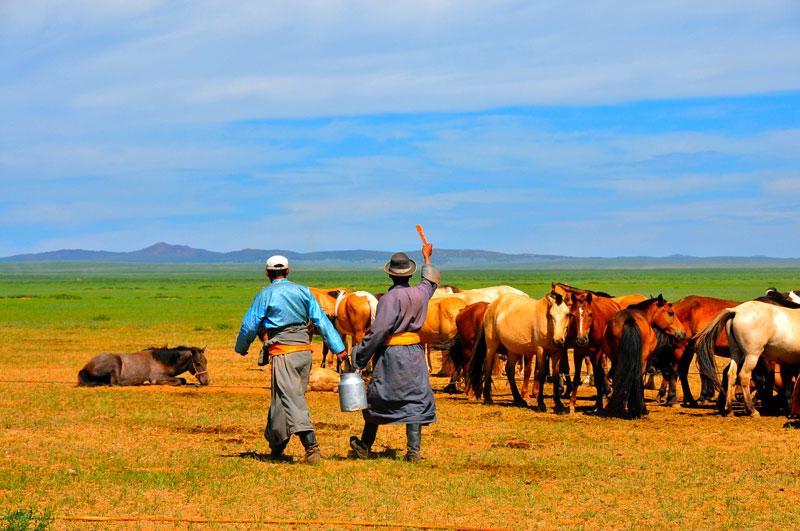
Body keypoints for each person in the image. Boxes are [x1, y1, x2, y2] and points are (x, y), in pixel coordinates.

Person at [235, 255, 345, 464]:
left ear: (267, 273)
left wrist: (242, 347)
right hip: (304, 353)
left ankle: (312, 448)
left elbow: (250, 325)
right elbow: (321, 321)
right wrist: (338, 347)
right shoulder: (303, 291)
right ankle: (276, 448)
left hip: (283, 353)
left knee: (292, 400)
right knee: (280, 401)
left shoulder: (265, 294)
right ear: (287, 271)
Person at [342, 243, 440, 462]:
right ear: (410, 273)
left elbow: (379, 331)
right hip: (415, 353)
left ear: (390, 275)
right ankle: (413, 452)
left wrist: (359, 355)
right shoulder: (420, 293)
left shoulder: (388, 299)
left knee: (378, 396)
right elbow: (432, 280)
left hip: (392, 355)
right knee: (415, 397)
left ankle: (365, 445)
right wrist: (427, 256)